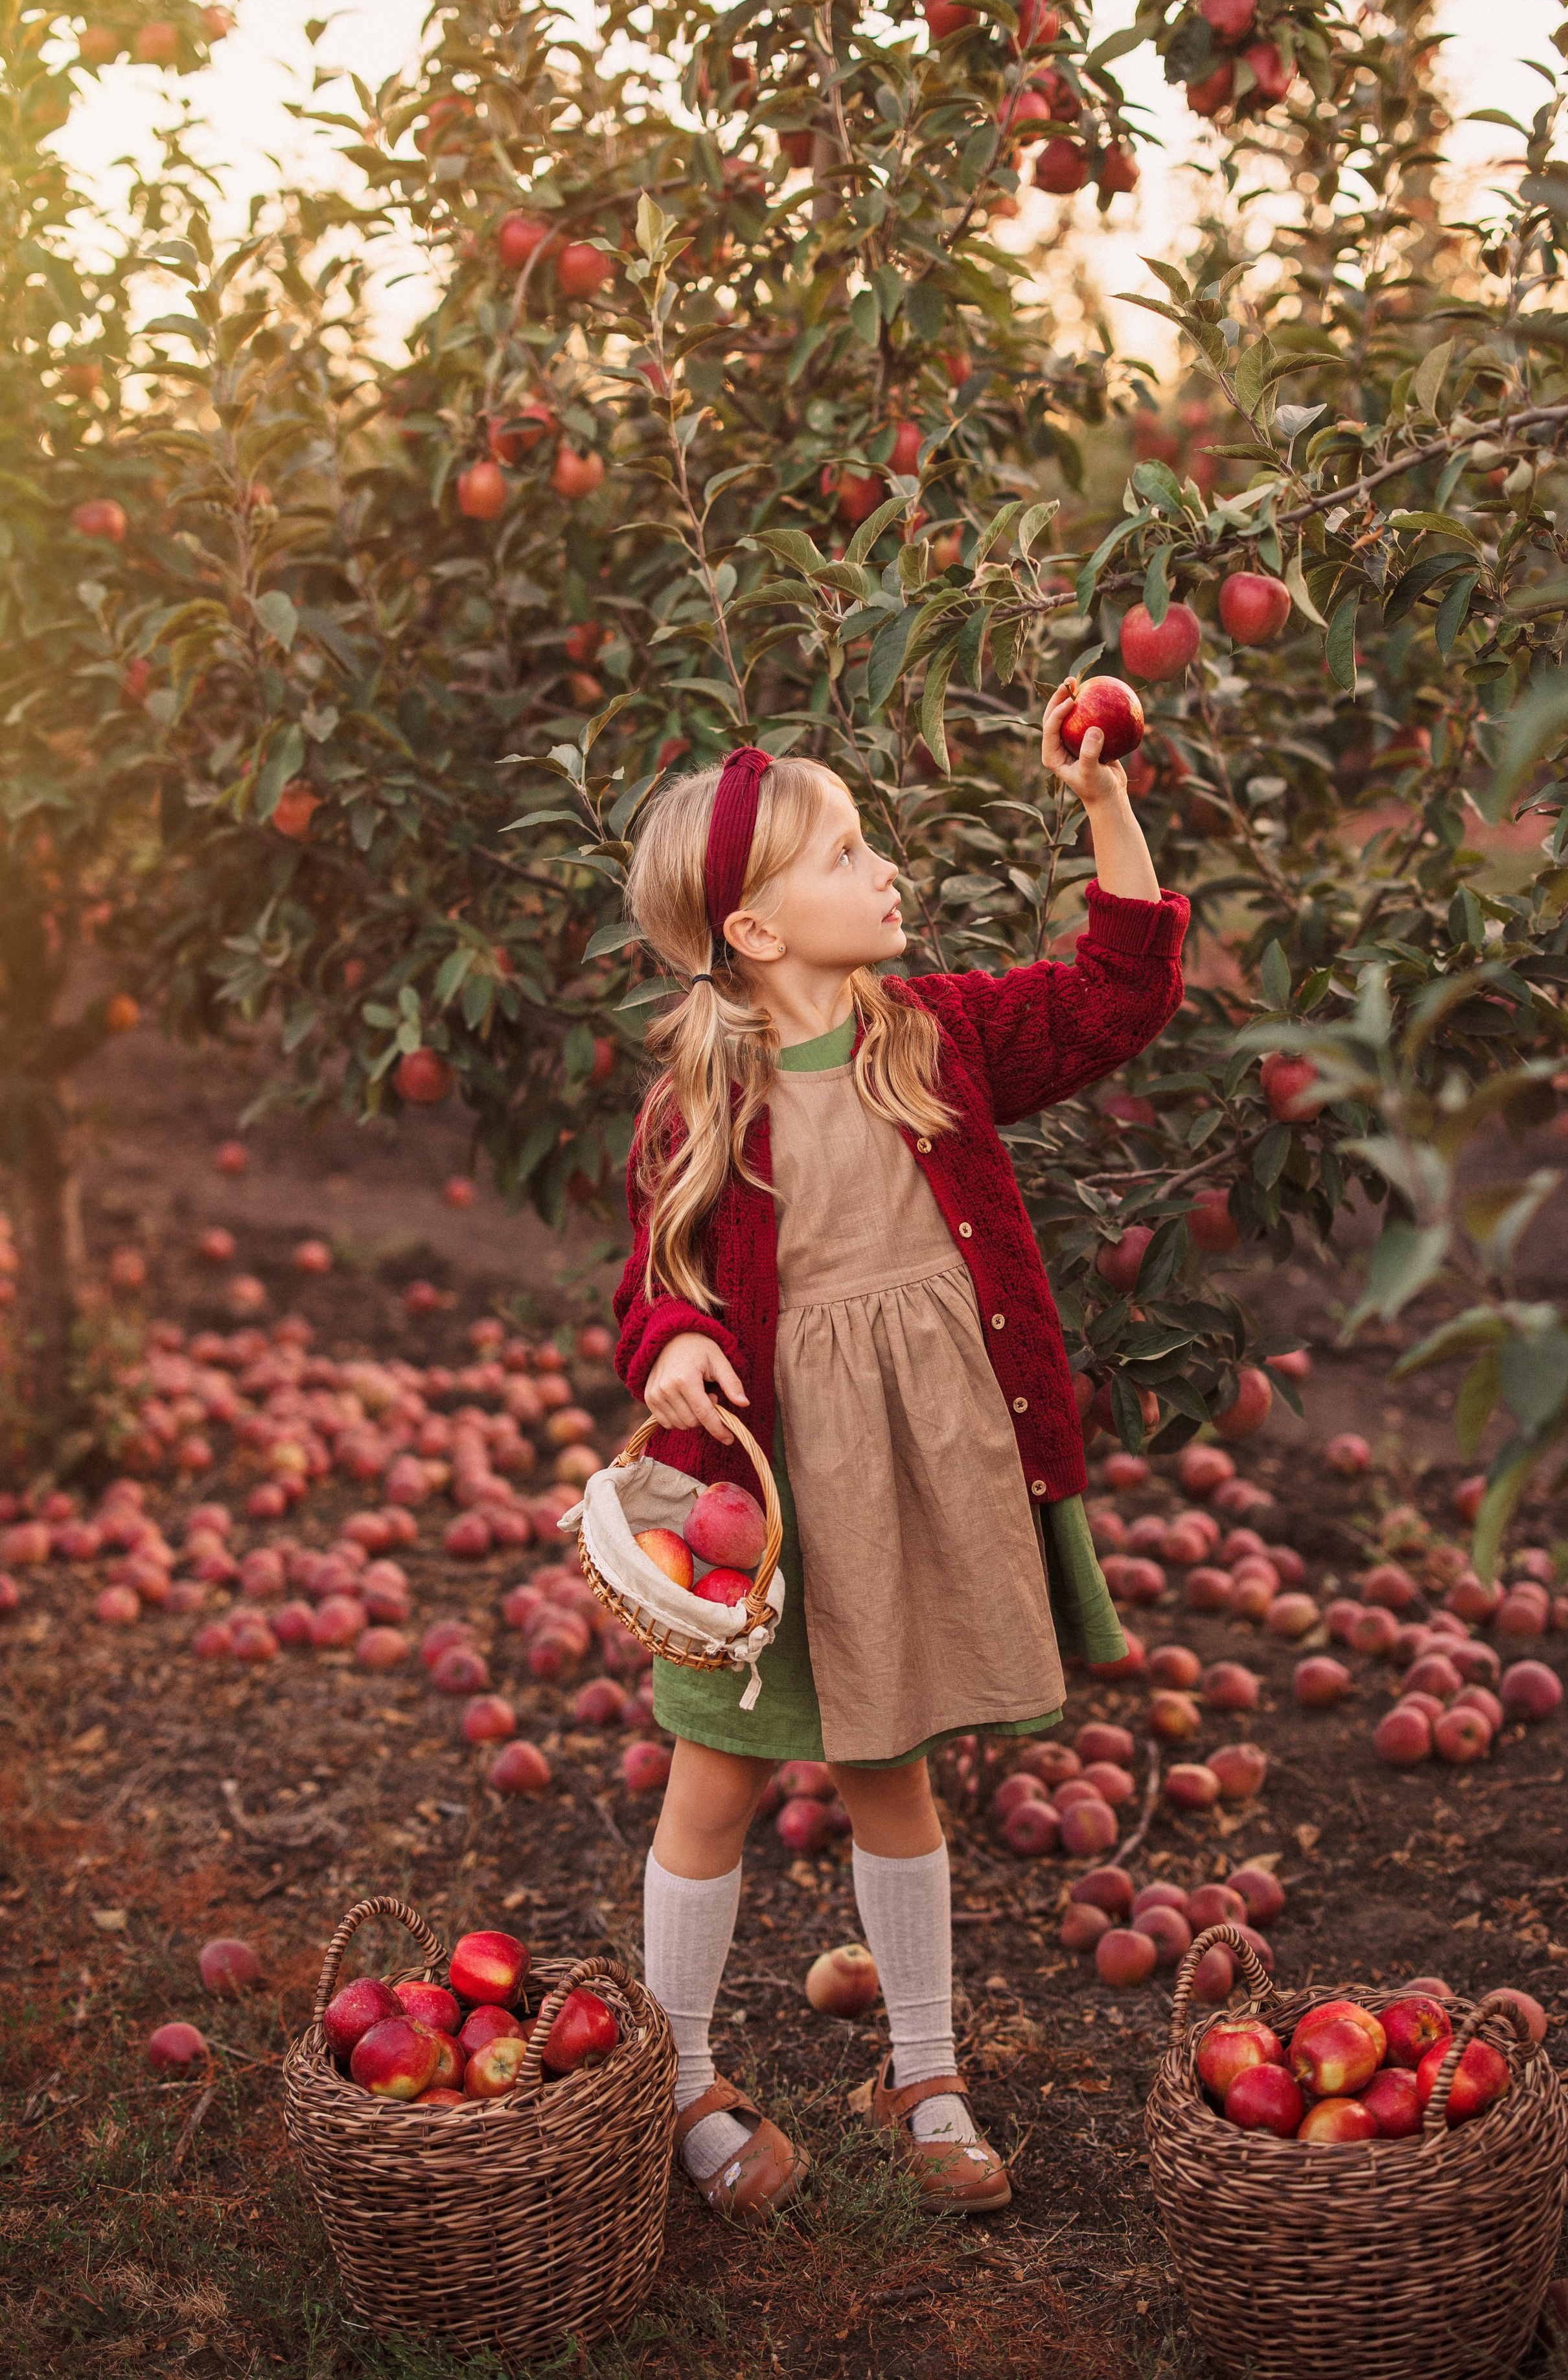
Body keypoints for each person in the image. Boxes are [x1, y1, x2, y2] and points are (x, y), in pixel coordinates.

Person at [611, 680, 1188, 2221]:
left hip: (920, 1467)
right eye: (845, 853)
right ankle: (672, 2076)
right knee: (716, 1777)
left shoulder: (936, 1037)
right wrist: (675, 1346)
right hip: (782, 1498)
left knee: (891, 1766)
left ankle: (920, 2063)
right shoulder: (702, 1104)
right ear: (752, 929)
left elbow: (1111, 995)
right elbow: (661, 1285)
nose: (886, 872)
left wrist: (1104, 803)